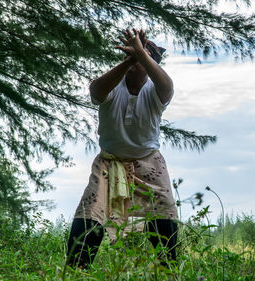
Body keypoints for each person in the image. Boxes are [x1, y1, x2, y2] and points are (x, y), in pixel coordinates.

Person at [66, 28, 178, 268]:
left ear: (151, 66)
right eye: (136, 58)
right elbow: (95, 91)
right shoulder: (113, 87)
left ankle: (169, 270)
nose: (138, 61)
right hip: (109, 163)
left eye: (145, 58)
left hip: (149, 162)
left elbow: (166, 84)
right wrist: (131, 59)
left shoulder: (157, 91)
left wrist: (141, 55)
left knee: (164, 215)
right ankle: (77, 270)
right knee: (89, 215)